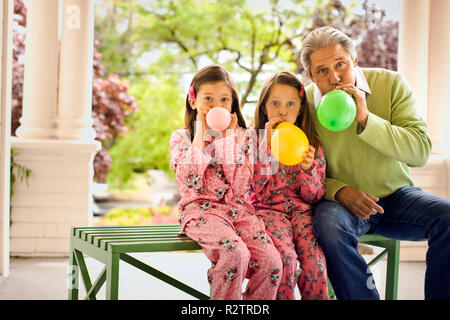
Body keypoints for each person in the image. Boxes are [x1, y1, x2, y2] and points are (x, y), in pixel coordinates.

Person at [300, 26, 450, 300]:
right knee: (329, 227)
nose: (334, 78)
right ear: (310, 76)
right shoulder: (304, 104)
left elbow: (419, 151)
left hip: (396, 198)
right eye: (321, 71)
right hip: (339, 205)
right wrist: (339, 191)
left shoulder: (391, 84)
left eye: (341, 64)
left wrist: (366, 119)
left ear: (355, 61)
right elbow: (301, 168)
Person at [169, 64, 282, 300]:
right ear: (194, 102)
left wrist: (227, 141)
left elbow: (241, 187)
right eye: (208, 99)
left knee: (271, 262)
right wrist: (201, 134)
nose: (216, 106)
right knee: (235, 253)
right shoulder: (183, 137)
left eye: (224, 100)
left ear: (232, 105)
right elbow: (189, 179)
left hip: (239, 213)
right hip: (200, 212)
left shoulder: (243, 136)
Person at [248, 71, 328, 300]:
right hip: (268, 212)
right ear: (264, 107)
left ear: (300, 108)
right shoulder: (254, 142)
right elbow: (257, 191)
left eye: (290, 103)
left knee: (315, 263)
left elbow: (315, 196)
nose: (282, 111)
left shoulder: (310, 144)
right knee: (285, 260)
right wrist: (268, 148)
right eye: (275, 103)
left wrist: (307, 170)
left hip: (302, 213)